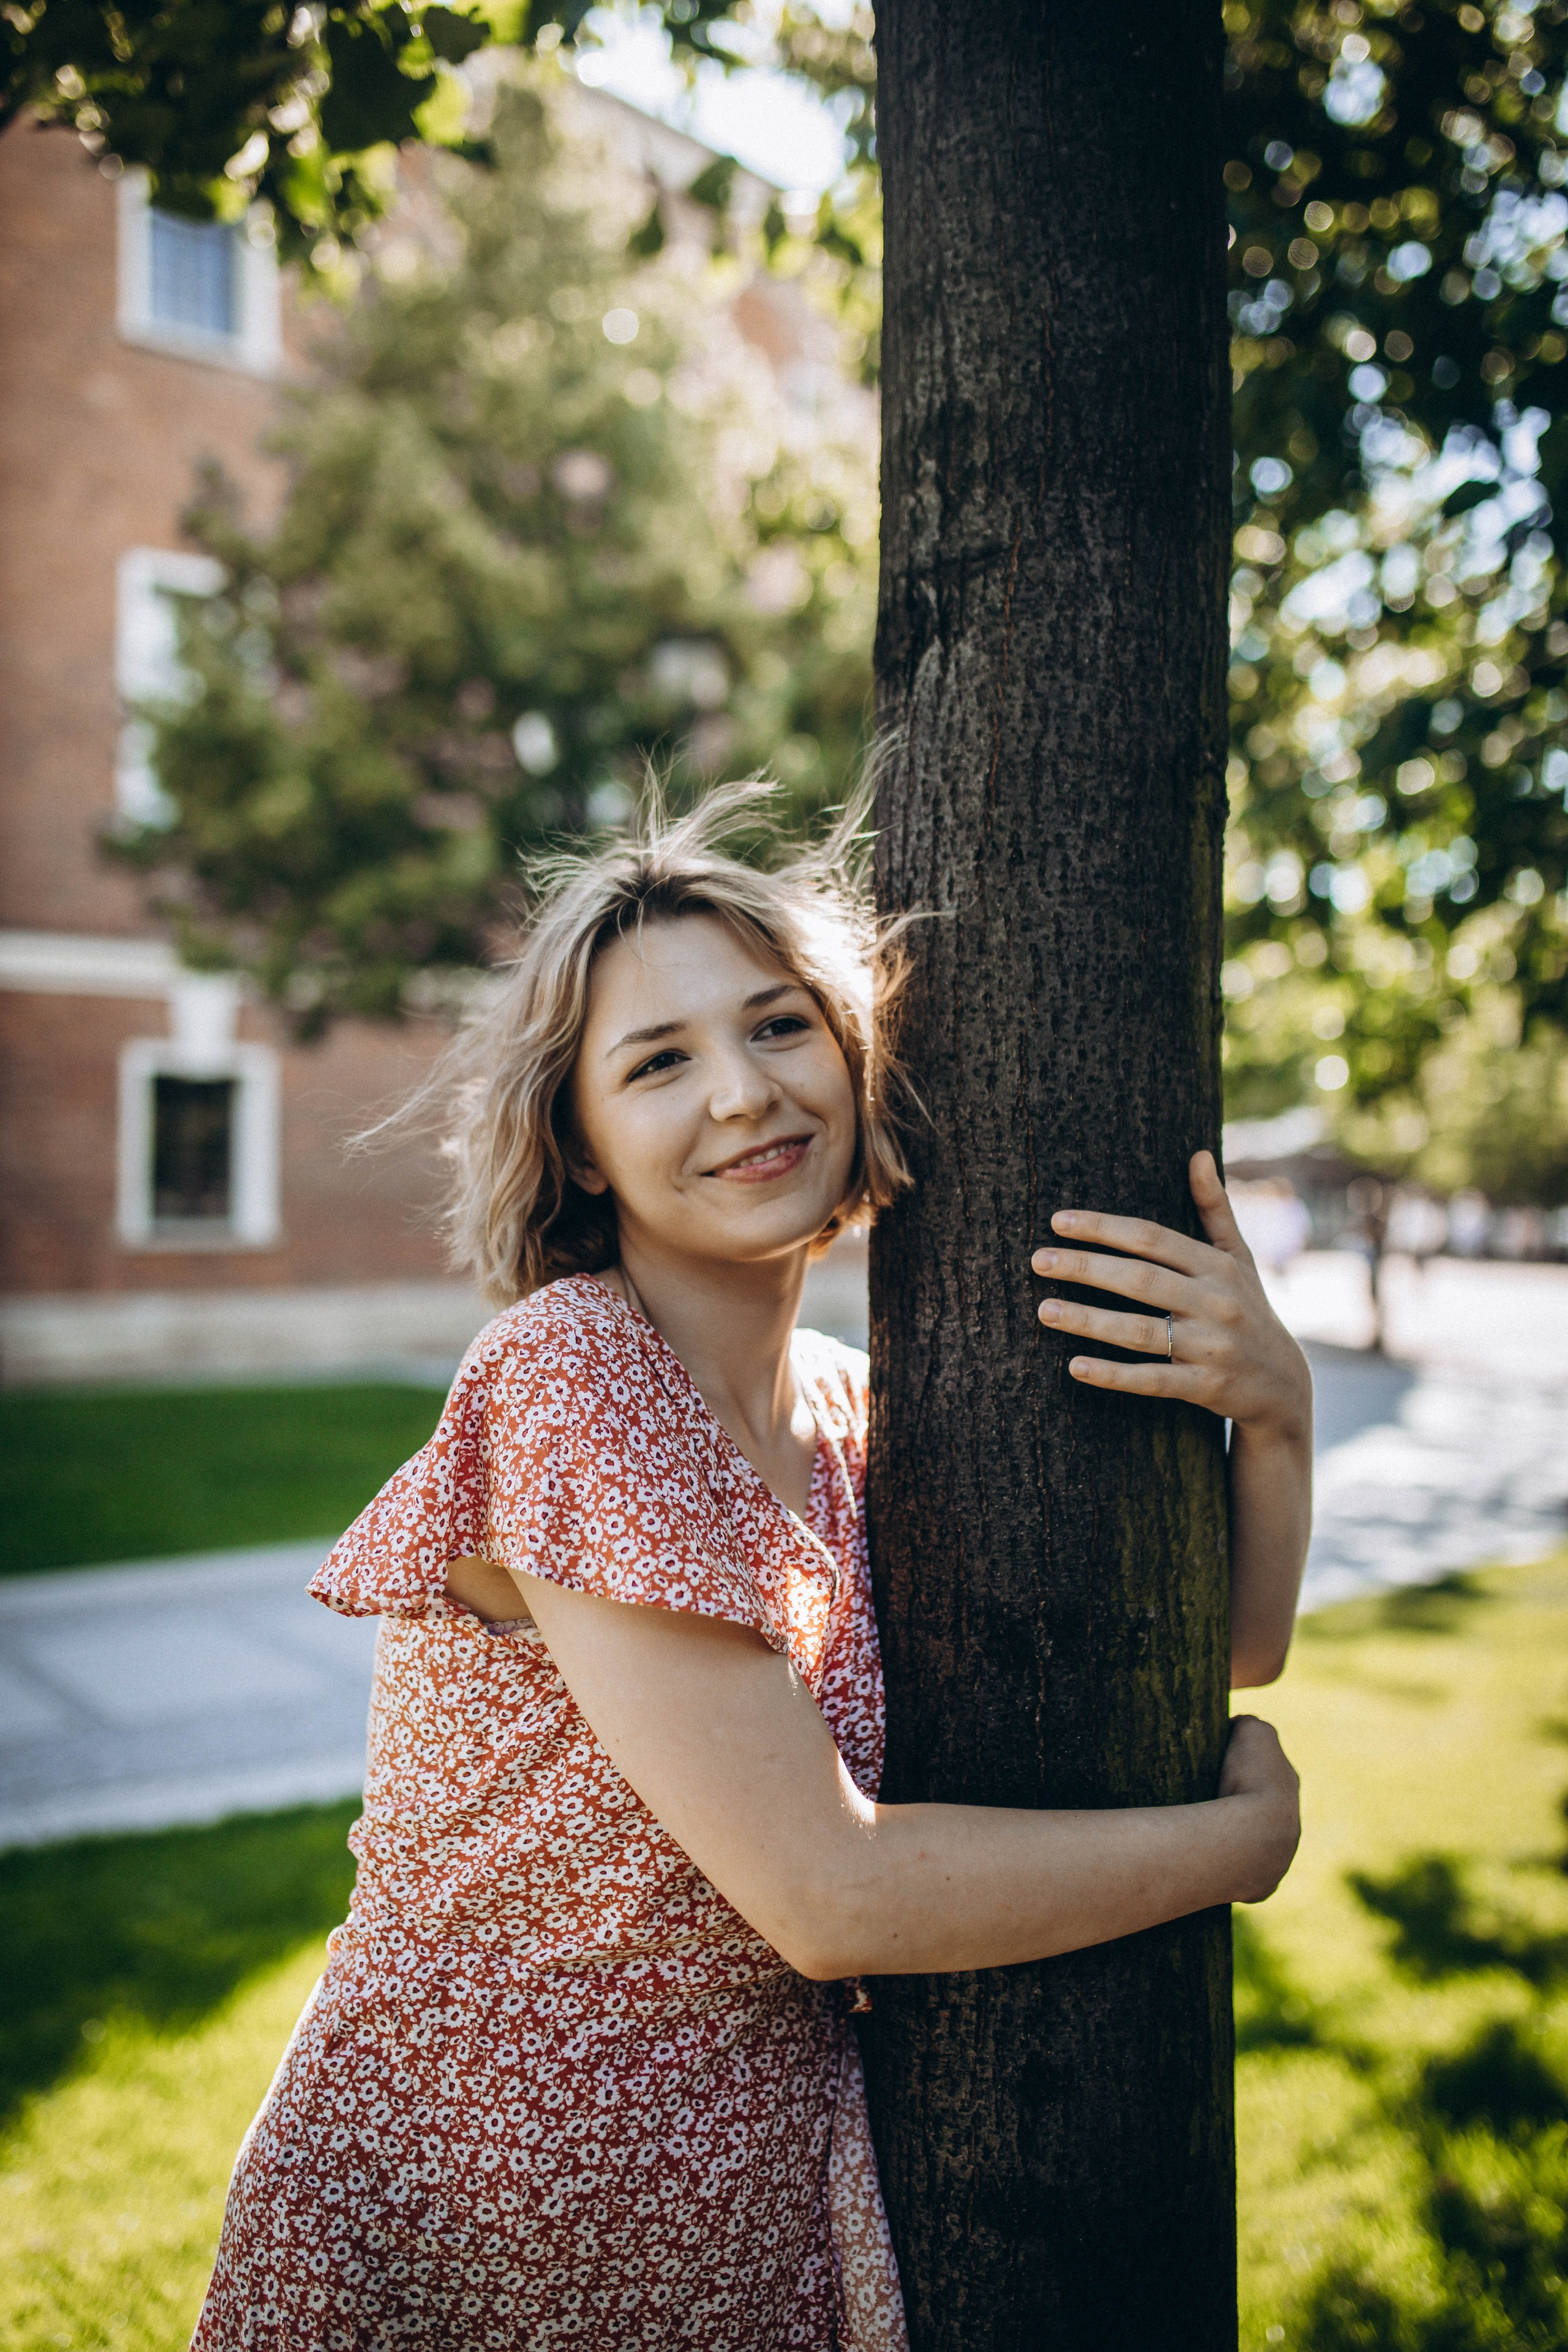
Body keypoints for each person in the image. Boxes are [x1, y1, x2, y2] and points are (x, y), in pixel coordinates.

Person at [192, 785, 1310, 2352]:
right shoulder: (571, 1372)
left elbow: (1222, 1652)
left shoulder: (853, 1411)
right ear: (578, 1146)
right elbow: (826, 1893)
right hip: (473, 2200)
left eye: (780, 1027)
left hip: (743, 2207)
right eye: (657, 1062)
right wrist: (1232, 1847)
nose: (742, 1094)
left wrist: (1274, 1418)